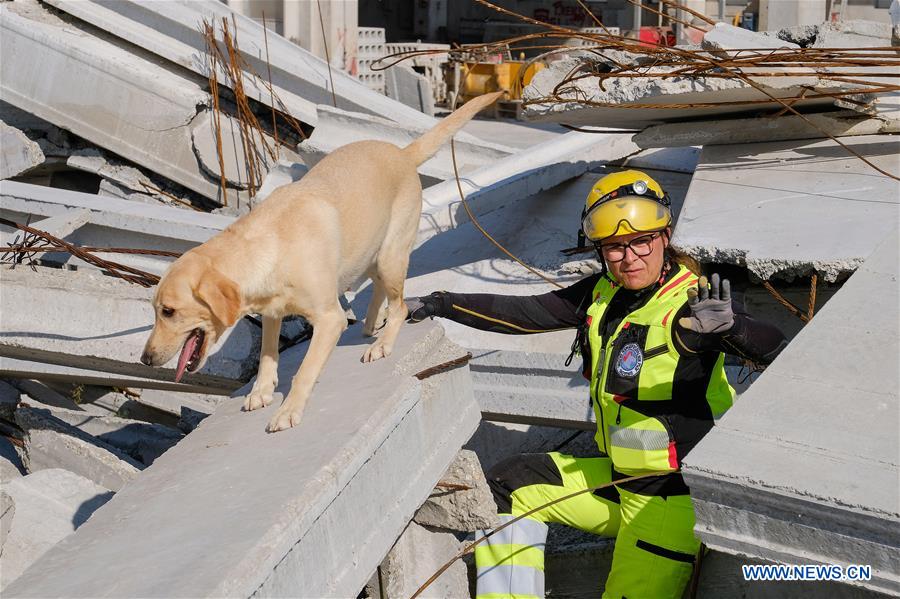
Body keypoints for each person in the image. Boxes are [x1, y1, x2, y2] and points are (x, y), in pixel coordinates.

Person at [405, 170, 787, 599]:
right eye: (615, 247)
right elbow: (525, 313)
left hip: (671, 501)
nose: (630, 258)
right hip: (619, 483)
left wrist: (733, 329)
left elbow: (774, 347)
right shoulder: (604, 292)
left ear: (665, 237)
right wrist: (440, 303)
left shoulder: (694, 306)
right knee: (510, 485)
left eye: (642, 241)